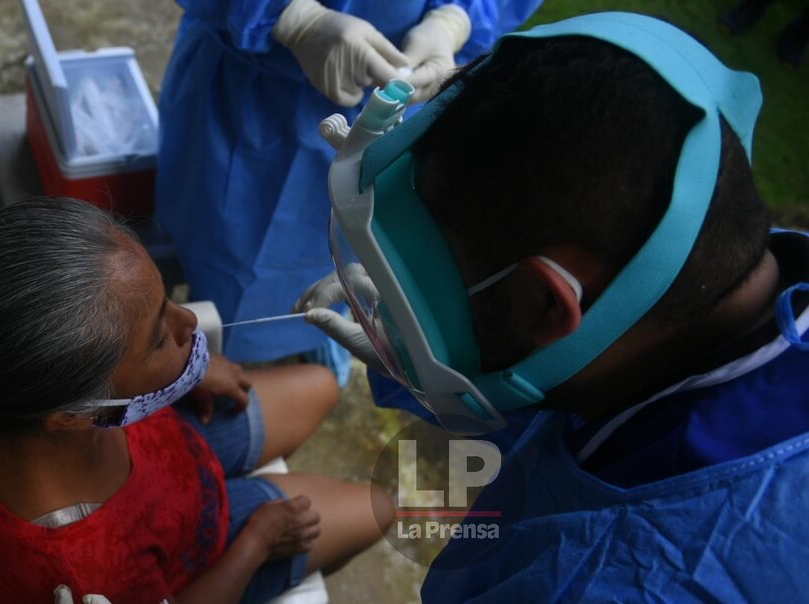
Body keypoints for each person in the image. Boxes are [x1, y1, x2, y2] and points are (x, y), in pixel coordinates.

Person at [297, 12, 809, 601]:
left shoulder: (599, 581)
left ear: (547, 303)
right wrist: (417, 355)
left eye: (422, 291)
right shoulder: (673, 326)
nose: (399, 305)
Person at [0, 197, 394, 604]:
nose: (189, 323)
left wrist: (190, 367)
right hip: (206, 550)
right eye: (160, 338)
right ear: (74, 416)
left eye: (167, 303)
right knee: (387, 507)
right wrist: (257, 541)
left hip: (173, 452)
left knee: (322, 384)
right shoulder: (82, 568)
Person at [154, 0, 542, 372]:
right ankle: (223, 348)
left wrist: (459, 16)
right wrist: (290, 15)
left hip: (401, 97)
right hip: (250, 92)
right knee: (221, 237)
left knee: (353, 242)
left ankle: (308, 336)